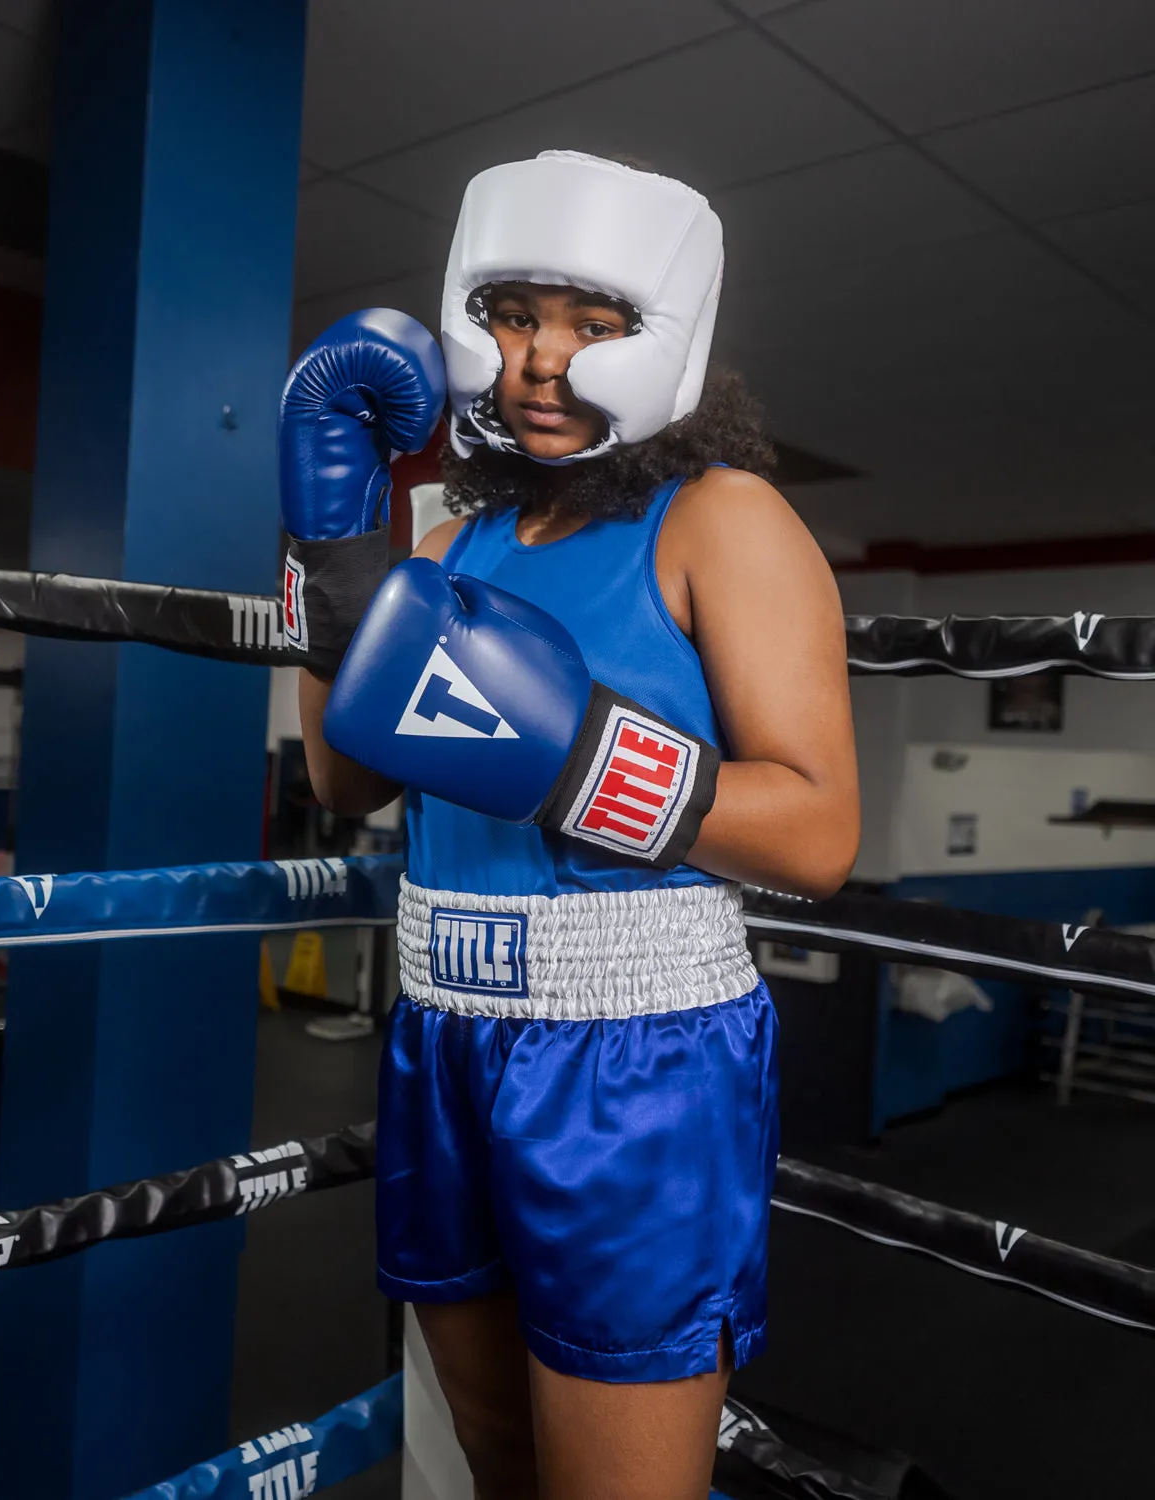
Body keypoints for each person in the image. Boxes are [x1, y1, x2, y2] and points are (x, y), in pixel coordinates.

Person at [282, 151, 860, 1500]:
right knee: (497, 1467)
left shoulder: (720, 520)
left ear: (666, 340)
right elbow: (346, 781)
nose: (541, 358)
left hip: (634, 1068)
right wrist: (335, 553)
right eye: (511, 315)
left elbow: (822, 832)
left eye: (591, 325)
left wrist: (568, 756)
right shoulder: (443, 546)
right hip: (444, 1038)